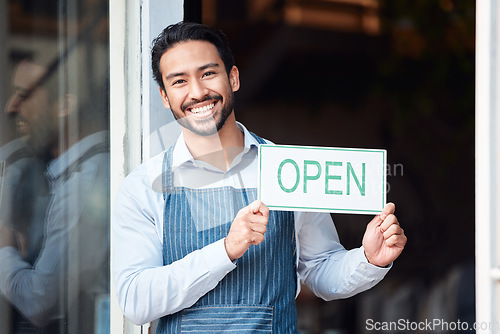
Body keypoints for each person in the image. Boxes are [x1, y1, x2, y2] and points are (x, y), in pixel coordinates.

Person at [113, 21, 407, 333]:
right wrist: (226, 249)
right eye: (179, 81)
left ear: (233, 78)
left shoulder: (291, 168)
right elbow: (136, 301)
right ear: (164, 96)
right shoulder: (145, 185)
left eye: (208, 73)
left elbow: (320, 269)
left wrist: (370, 260)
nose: (197, 92)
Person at [0, 58, 110, 333]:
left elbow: (40, 302)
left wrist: (3, 244)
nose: (11, 107)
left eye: (24, 96)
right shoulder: (46, 169)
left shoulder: (85, 183)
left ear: (64, 105)